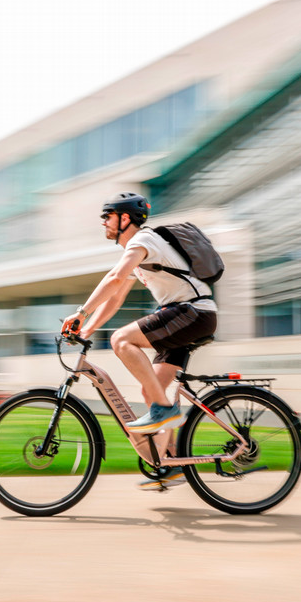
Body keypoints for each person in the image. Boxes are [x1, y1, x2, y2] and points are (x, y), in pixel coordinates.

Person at [61, 191, 218, 489]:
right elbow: (116, 297)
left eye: (107, 217)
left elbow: (114, 278)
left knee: (122, 340)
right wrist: (87, 329)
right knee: (152, 391)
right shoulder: (137, 251)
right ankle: (170, 464)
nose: (104, 223)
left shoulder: (142, 241)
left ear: (124, 218)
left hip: (192, 312)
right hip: (189, 314)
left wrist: (80, 312)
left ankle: (165, 410)